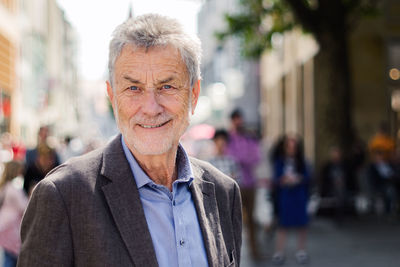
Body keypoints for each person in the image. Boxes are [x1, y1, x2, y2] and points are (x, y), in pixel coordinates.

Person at [17, 14, 242, 267]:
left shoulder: (224, 192)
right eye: (133, 88)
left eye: (167, 87)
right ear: (112, 97)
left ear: (194, 94)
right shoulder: (63, 196)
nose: (151, 107)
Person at [270, 134, 311, 265]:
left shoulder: (302, 162)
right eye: (289, 147)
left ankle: (301, 251)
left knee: (302, 224)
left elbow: (307, 177)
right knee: (283, 225)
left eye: (294, 147)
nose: (292, 149)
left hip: (299, 194)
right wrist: (283, 180)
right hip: (286, 195)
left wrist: (299, 179)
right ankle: (279, 252)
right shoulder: (280, 161)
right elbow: (276, 178)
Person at [226, 108, 261, 259]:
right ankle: (232, 255)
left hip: (250, 183)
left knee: (252, 220)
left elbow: (257, 157)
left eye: (240, 119)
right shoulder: (229, 139)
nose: (239, 122)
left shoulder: (250, 137)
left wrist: (242, 159)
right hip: (235, 185)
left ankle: (255, 253)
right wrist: (244, 158)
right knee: (234, 221)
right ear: (232, 121)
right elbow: (230, 157)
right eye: (236, 119)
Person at [0, 161, 28, 267]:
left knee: (8, 256)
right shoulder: (14, 188)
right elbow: (23, 206)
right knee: (11, 258)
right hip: (11, 227)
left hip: (4, 224)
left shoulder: (4, 186)